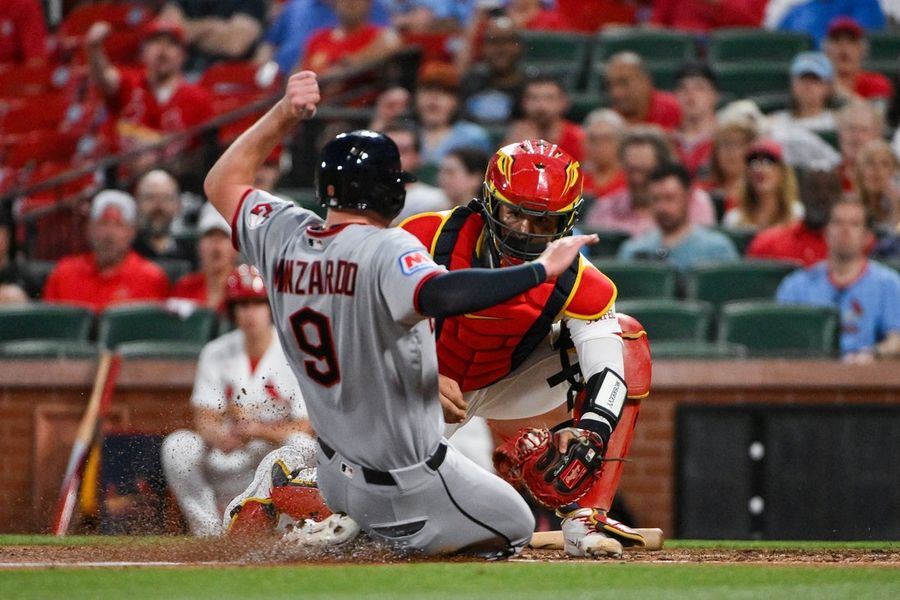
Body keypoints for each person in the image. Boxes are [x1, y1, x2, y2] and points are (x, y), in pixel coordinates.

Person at [204, 70, 598, 556]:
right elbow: (444, 295)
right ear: (391, 192)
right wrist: (539, 272)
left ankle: (327, 513)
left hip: (332, 462)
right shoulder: (386, 248)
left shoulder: (282, 233)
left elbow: (221, 181)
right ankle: (365, 534)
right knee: (513, 527)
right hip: (403, 477)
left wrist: (285, 112)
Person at [399, 138, 653, 558]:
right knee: (344, 510)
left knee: (626, 338)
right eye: (516, 212)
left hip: (504, 380)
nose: (525, 231)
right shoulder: (426, 236)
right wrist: (416, 373)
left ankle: (588, 517)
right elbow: (366, 326)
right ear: (489, 203)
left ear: (567, 223)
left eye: (544, 222)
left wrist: (592, 432)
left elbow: (608, 373)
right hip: (418, 389)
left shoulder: (578, 279)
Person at [162, 264, 314, 536]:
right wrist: (220, 436)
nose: (250, 312)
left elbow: (306, 425)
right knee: (178, 445)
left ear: (270, 307)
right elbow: (204, 417)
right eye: (242, 305)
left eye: (257, 303)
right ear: (232, 311)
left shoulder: (295, 351)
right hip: (230, 454)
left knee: (303, 446)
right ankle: (209, 533)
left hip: (270, 459)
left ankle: (285, 529)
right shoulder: (215, 351)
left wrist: (259, 429)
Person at [776, 197, 900, 361]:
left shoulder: (888, 284)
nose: (845, 229)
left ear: (868, 237)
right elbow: (778, 341)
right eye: (838, 222)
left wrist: (873, 354)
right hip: (807, 376)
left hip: (867, 377)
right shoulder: (795, 286)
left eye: (854, 224)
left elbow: (896, 340)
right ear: (826, 232)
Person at [85, 19, 213, 155]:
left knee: (157, 177)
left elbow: (206, 154)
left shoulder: (198, 99)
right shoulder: (129, 82)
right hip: (126, 173)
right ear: (143, 52)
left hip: (176, 173)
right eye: (155, 42)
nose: (162, 50)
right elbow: (104, 78)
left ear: (183, 55)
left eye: (171, 44)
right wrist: (95, 48)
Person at [43, 190, 170, 311]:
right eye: (103, 223)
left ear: (132, 232)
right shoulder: (63, 273)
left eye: (118, 225)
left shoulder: (151, 278)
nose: (109, 234)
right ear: (89, 228)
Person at [583, 126, 715, 237]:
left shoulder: (693, 203)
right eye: (631, 171)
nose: (637, 179)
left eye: (645, 172)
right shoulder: (606, 208)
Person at [618, 162, 739, 271]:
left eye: (670, 198)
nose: (662, 207)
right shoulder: (634, 249)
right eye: (656, 199)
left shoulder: (716, 248)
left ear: (688, 197)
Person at [746, 168, 841, 266]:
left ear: (839, 196)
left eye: (830, 188)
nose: (821, 196)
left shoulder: (853, 249)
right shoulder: (766, 244)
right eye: (813, 188)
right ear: (801, 193)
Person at [414, 62, 491, 168]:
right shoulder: (404, 135)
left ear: (455, 101)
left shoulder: (472, 137)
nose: (433, 97)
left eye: (443, 92)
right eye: (427, 90)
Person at [458, 15, 526, 126]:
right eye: (494, 42)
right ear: (484, 48)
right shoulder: (471, 82)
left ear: (519, 47)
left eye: (508, 42)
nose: (501, 49)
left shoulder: (529, 89)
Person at [723, 139, 803, 231]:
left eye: (768, 161)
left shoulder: (798, 215)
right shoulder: (734, 219)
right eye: (753, 162)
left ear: (783, 171)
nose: (760, 169)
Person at [170, 202, 239, 310]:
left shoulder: (244, 287)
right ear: (199, 245)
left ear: (235, 247)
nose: (216, 243)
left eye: (223, 236)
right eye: (210, 235)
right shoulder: (185, 287)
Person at [383, 119, 451, 224]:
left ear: (417, 157)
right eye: (388, 150)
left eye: (403, 151)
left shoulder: (434, 200)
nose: (394, 157)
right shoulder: (363, 197)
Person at [504, 75, 585, 162]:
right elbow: (502, 170)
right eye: (534, 98)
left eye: (549, 98)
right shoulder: (515, 137)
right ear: (523, 103)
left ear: (563, 102)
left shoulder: (578, 137)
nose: (541, 105)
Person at [159, 0, 266, 63]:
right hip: (181, 76)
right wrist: (212, 26)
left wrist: (188, 30)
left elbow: (235, 45)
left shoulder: (251, 2)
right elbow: (166, 34)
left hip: (226, 80)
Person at [603, 52, 681, 132]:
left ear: (645, 81)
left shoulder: (675, 109)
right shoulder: (609, 123)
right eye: (610, 85)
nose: (615, 93)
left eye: (623, 83)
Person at [822, 16, 892, 102]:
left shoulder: (876, 83)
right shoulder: (816, 83)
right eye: (837, 40)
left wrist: (839, 91)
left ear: (862, 49)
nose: (844, 47)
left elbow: (878, 114)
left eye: (851, 41)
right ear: (826, 49)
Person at [132, 169, 195, 265]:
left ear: (178, 205)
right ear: (137, 203)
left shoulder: (191, 255)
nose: (159, 206)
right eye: (150, 197)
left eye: (166, 198)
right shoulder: (125, 252)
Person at [769, 51, 838, 134]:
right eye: (803, 78)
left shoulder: (836, 123)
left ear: (828, 87)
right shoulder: (775, 122)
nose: (808, 85)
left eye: (815, 80)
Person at [672, 62, 719, 179]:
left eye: (699, 87)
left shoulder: (725, 140)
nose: (690, 95)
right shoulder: (666, 142)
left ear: (714, 95)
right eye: (683, 88)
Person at [767, 1, 885, 47]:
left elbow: (858, 44)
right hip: (805, 77)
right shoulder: (797, 12)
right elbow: (776, 48)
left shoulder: (865, 4)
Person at [853, 139, 900, 234]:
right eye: (870, 163)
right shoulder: (848, 205)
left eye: (885, 164)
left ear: (895, 172)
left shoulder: (897, 204)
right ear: (859, 171)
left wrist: (896, 206)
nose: (877, 169)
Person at [837, 100, 884, 191]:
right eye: (851, 129)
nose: (856, 137)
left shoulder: (890, 179)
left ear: (878, 136)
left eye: (864, 130)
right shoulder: (829, 174)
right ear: (840, 133)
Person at [581, 109, 626, 200]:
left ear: (620, 142)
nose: (599, 145)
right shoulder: (575, 180)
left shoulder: (629, 179)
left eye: (606, 139)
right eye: (593, 139)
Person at [651, 0, 766, 32]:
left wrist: (718, 3)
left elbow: (753, 24)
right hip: (681, 52)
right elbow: (658, 22)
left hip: (730, 52)